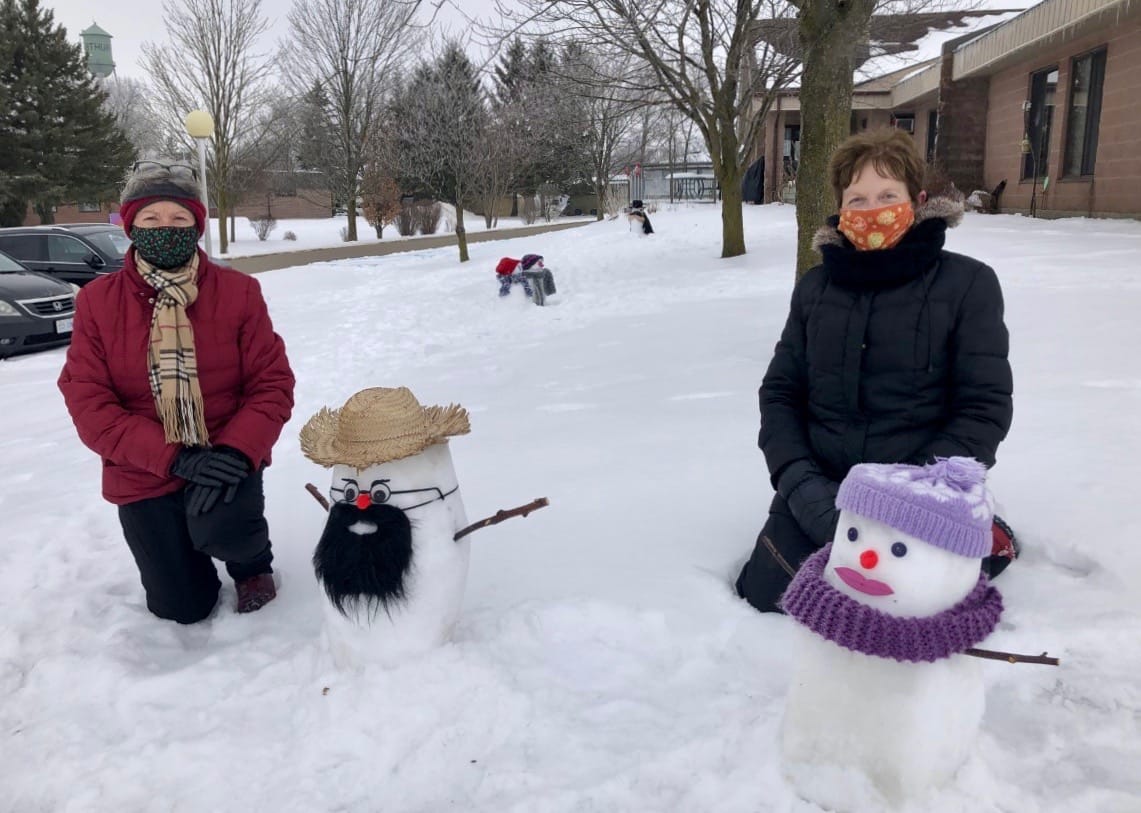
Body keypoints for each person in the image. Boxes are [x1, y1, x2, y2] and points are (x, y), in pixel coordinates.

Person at [735, 128, 1014, 613]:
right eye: (857, 198)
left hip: (920, 498)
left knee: (905, 612)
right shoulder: (816, 287)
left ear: (918, 199)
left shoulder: (969, 284)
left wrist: (907, 499)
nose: (871, 210)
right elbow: (780, 392)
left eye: (888, 196)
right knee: (772, 600)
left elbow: (983, 406)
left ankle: (985, 532)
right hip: (820, 489)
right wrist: (800, 484)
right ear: (842, 208)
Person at [58, 161, 296, 624]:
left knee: (229, 529)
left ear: (196, 225)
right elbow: (89, 402)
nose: (165, 229)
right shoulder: (97, 303)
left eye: (178, 219)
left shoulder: (239, 292)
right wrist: (175, 457)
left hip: (223, 450)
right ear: (131, 226)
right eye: (151, 219)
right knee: (182, 607)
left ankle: (251, 563)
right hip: (143, 466)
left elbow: (272, 383)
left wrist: (238, 453)